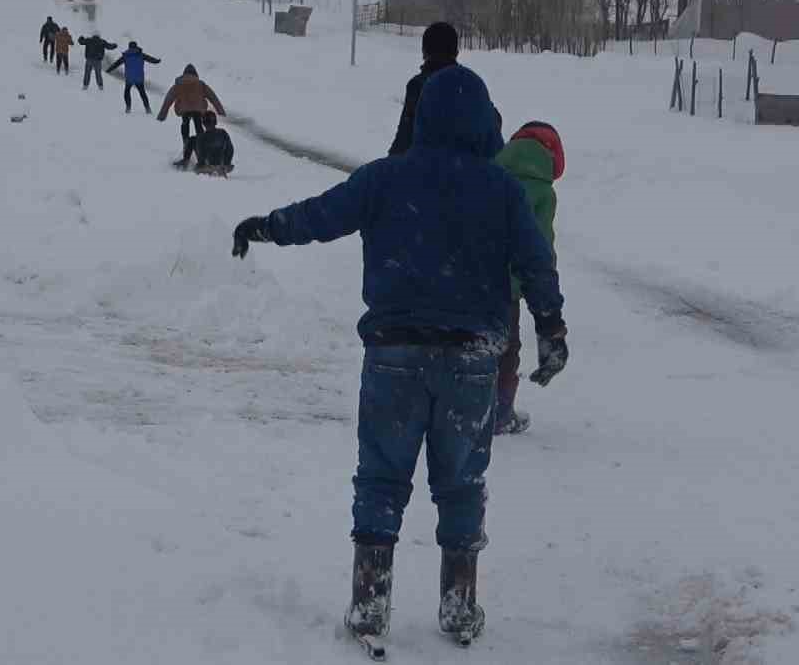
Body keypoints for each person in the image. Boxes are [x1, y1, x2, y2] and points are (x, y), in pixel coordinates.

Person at [229, 66, 567, 652]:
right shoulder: (501, 189)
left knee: (382, 478)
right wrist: (551, 328)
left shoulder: (387, 179)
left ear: (424, 118)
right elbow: (537, 262)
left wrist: (266, 227)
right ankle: (460, 609)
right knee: (462, 483)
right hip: (471, 360)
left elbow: (322, 215)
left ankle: (369, 606)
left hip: (394, 355)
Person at [492, 121, 564, 436]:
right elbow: (540, 248)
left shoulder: (491, 175)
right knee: (507, 349)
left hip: (472, 278)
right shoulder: (543, 193)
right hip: (510, 285)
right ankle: (500, 414)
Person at [388, 22, 461, 156]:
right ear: (456, 52)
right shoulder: (470, 84)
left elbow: (405, 138)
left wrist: (387, 169)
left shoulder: (419, 86)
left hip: (427, 169)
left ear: (424, 52)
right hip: (467, 170)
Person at [156, 64, 226, 167]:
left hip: (184, 109)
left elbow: (169, 99)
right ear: (195, 74)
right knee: (198, 126)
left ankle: (186, 143)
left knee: (185, 124)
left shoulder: (178, 84)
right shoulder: (200, 84)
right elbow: (213, 97)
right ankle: (202, 145)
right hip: (198, 109)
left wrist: (162, 115)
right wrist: (220, 111)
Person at [105, 41, 161, 113]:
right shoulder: (141, 54)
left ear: (129, 47)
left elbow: (117, 63)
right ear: (136, 46)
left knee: (127, 92)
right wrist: (157, 61)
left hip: (129, 78)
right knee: (142, 93)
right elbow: (151, 59)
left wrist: (109, 70)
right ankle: (147, 108)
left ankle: (128, 107)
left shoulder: (126, 55)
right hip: (139, 78)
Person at [193, 111, 234, 176]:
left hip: (209, 166)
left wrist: (201, 164)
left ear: (204, 123)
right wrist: (227, 162)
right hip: (223, 164)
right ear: (215, 122)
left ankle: (213, 168)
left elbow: (201, 153)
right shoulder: (223, 132)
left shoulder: (201, 137)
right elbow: (230, 149)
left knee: (193, 140)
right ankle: (219, 168)